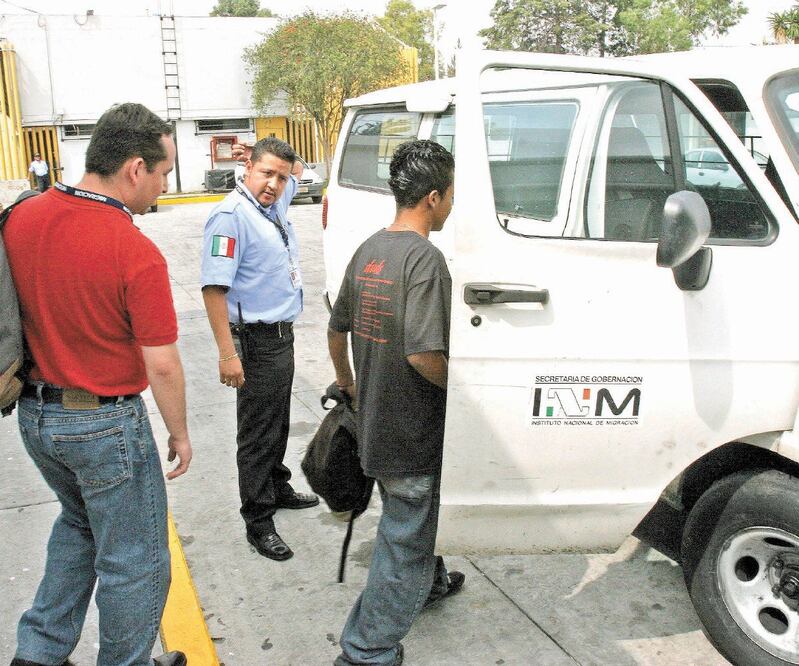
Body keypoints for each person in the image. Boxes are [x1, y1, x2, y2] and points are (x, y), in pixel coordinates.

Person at [4, 103, 192, 666]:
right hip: (103, 424)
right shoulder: (133, 249)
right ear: (135, 168)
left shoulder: (21, 217)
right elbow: (161, 363)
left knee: (79, 526)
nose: (163, 187)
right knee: (135, 562)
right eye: (162, 174)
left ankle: (36, 653)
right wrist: (180, 434)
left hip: (36, 418)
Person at [327, 139, 465, 666]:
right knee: (404, 542)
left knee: (408, 519)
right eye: (450, 194)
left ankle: (428, 585)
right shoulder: (426, 261)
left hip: (378, 424)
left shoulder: (369, 250)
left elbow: (336, 331)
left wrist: (351, 386)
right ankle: (367, 649)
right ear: (432, 198)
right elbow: (425, 354)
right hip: (413, 433)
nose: (452, 204)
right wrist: (470, 397)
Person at [201, 136, 318, 563]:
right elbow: (214, 288)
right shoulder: (231, 217)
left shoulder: (271, 206)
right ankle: (258, 518)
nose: (274, 183)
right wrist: (226, 352)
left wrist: (272, 157)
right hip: (253, 340)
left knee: (278, 419)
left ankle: (277, 484)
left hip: (280, 336)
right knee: (257, 432)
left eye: (281, 177)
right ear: (248, 169)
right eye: (266, 173)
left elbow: (299, 170)